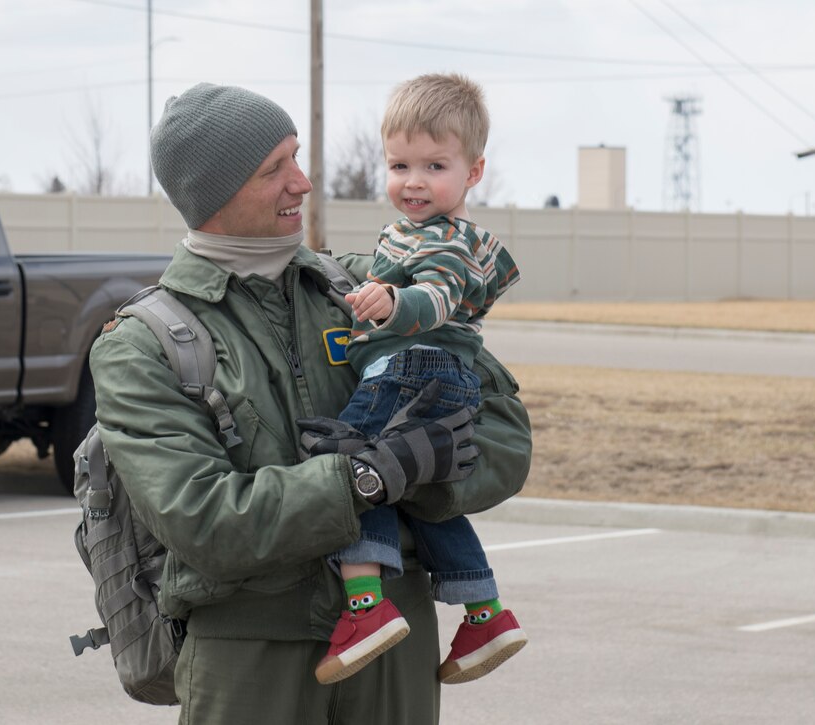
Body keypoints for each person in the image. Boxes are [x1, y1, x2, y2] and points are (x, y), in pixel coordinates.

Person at [88, 82, 532, 725]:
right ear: (216, 192)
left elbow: (506, 435)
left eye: (297, 157)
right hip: (251, 658)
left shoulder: (369, 286)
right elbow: (204, 520)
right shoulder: (143, 344)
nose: (303, 182)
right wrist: (368, 478)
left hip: (394, 650)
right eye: (276, 169)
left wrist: (434, 472)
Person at [305, 73, 526, 689]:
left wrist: (392, 303)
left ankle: (366, 609)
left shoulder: (447, 241)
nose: (414, 181)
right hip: (440, 378)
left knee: (348, 467)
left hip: (411, 366)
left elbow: (435, 295)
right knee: (415, 495)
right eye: (399, 165)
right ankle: (486, 614)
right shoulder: (428, 232)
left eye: (435, 165)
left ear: (473, 172)